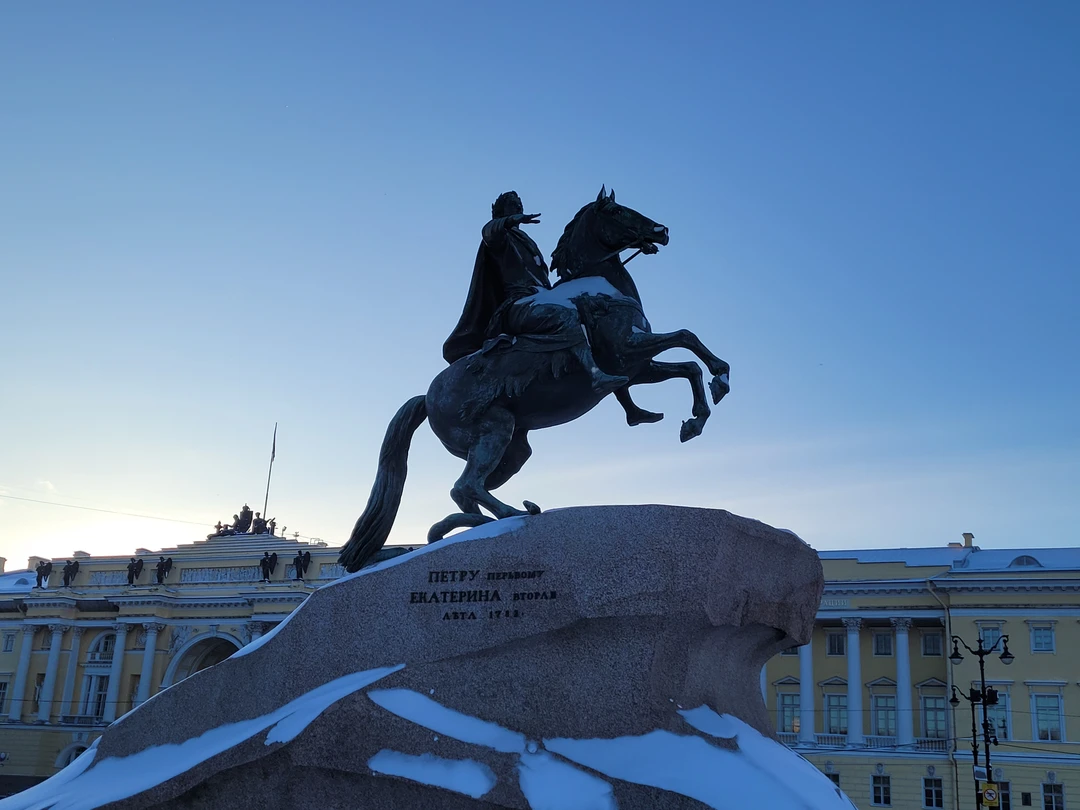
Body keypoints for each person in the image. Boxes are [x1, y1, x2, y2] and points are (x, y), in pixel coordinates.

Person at [442, 191, 628, 394]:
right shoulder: (500, 237)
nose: (518, 207)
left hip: (539, 298)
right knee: (565, 317)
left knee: (594, 317)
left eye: (519, 204)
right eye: (513, 204)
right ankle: (595, 375)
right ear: (500, 211)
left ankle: (629, 405)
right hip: (518, 304)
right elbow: (488, 232)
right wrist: (508, 220)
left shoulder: (526, 241)